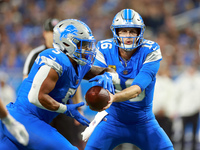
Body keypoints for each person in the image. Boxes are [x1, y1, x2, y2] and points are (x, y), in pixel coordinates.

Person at [0, 19, 115, 150]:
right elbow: (35, 97)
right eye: (83, 45)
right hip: (24, 118)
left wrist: (108, 74)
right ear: (67, 43)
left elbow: (102, 71)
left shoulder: (78, 64)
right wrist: (65, 109)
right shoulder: (56, 59)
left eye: (88, 45)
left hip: (28, 121)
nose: (87, 49)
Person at [83, 9, 174, 150]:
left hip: (143, 121)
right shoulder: (104, 48)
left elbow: (137, 89)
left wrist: (112, 98)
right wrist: (101, 75)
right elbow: (95, 73)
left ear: (139, 33)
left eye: (132, 31)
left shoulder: (150, 50)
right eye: (123, 31)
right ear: (116, 32)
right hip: (112, 120)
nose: (128, 36)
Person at [23, 18, 85, 149]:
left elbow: (75, 81)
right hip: (41, 108)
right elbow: (26, 83)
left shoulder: (68, 53)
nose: (53, 35)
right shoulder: (36, 54)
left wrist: (79, 109)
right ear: (44, 33)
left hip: (64, 108)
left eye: (56, 32)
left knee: (69, 144)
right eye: (51, 32)